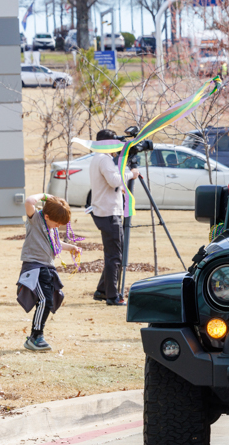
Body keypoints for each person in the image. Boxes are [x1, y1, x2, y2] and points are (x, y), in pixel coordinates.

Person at [16, 194, 81, 352]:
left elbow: (56, 242)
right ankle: (35, 336)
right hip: (35, 267)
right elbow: (29, 201)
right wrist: (46, 196)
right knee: (45, 300)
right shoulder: (36, 219)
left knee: (49, 300)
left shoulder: (51, 228)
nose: (58, 226)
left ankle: (36, 336)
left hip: (47, 268)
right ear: (46, 216)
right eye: (57, 223)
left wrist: (71, 247)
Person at [89, 129, 139, 306]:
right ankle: (112, 296)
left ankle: (103, 290)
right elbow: (115, 181)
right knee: (115, 255)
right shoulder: (104, 159)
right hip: (109, 213)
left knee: (114, 253)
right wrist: (131, 174)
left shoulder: (98, 158)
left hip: (105, 211)